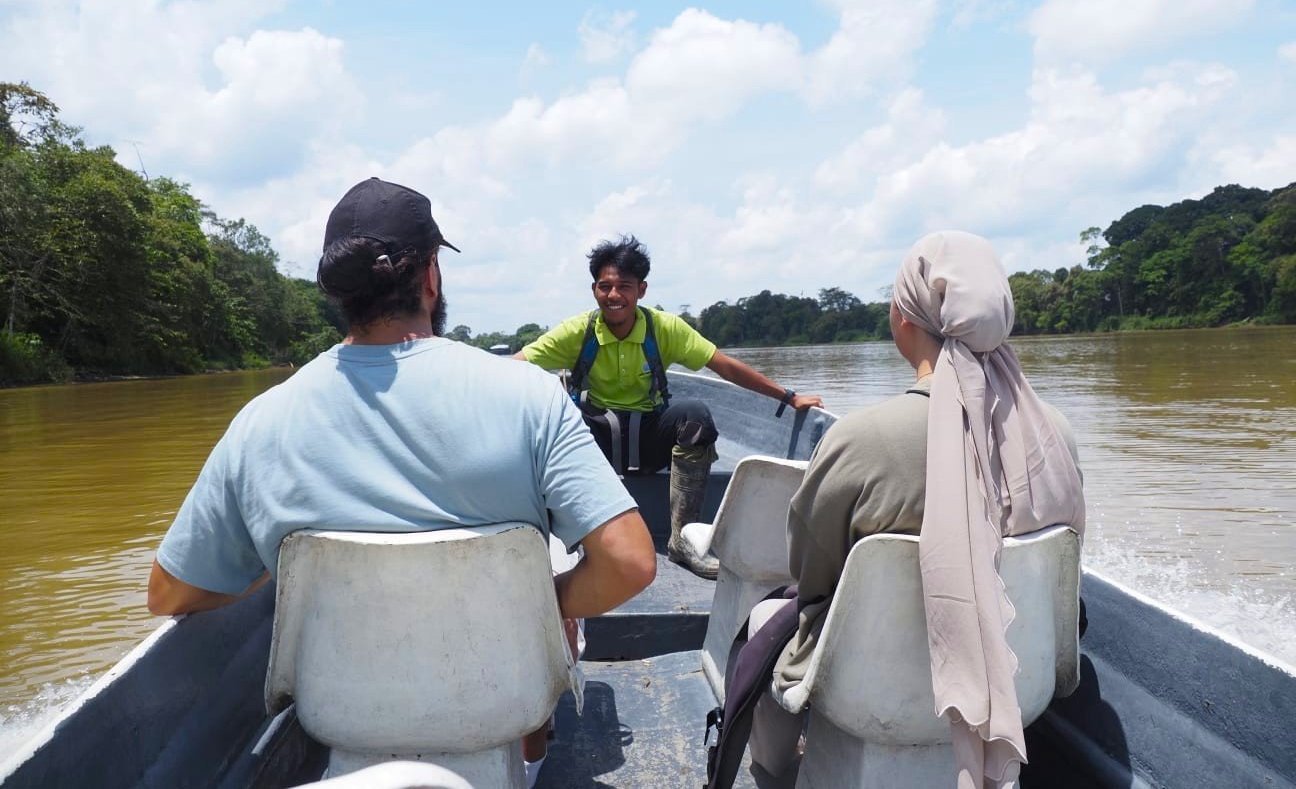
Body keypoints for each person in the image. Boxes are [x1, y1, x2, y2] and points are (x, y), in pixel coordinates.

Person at [147, 177, 657, 789]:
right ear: (431, 276)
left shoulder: (262, 421)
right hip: (502, 704)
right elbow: (628, 562)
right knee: (549, 554)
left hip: (338, 719)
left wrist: (276, 565)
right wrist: (540, 599)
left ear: (338, 292)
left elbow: (170, 594)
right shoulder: (532, 397)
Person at [749, 231, 1086, 789]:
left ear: (904, 317)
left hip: (869, 685)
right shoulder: (1055, 432)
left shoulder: (860, 438)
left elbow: (811, 574)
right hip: (1020, 681)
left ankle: (770, 775)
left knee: (766, 621)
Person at [516, 235, 823, 578]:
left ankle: (681, 539)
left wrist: (787, 396)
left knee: (695, 416)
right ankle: (578, 540)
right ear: (594, 290)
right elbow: (515, 364)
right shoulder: (578, 332)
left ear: (642, 290)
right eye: (605, 286)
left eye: (624, 286)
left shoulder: (664, 329)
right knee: (552, 420)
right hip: (596, 446)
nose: (614, 296)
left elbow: (723, 365)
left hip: (650, 437)